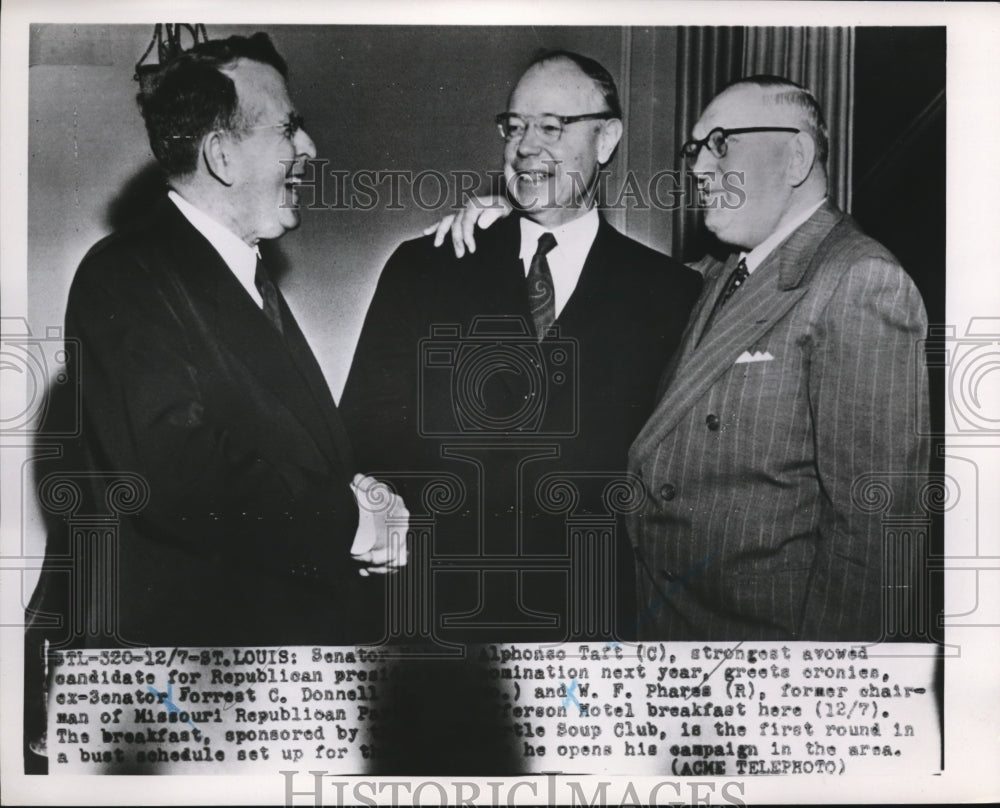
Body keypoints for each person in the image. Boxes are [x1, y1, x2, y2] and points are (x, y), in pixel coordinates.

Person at [25, 33, 407, 651]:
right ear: (222, 156)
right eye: (289, 129)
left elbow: (278, 449)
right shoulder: (125, 274)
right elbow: (180, 473)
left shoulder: (241, 276)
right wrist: (351, 519)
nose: (309, 147)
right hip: (195, 688)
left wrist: (357, 490)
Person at [341, 51, 700, 643]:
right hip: (431, 624)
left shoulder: (672, 294)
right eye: (515, 126)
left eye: (552, 127)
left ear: (606, 138)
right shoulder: (425, 267)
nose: (526, 146)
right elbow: (362, 432)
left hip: (593, 626)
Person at [625, 76, 930, 640]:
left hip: (765, 667)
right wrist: (509, 223)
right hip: (674, 636)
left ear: (795, 157)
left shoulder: (860, 280)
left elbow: (876, 535)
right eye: (695, 149)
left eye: (721, 143)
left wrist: (814, 694)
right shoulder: (719, 274)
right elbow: (610, 285)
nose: (696, 168)